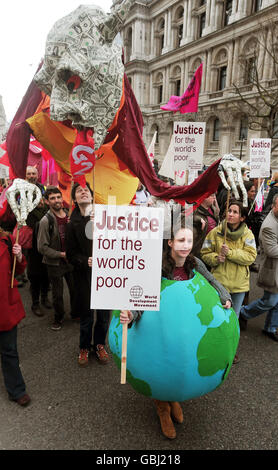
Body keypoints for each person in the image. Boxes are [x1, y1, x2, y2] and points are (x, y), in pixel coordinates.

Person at [120, 222, 232, 440]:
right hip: (160, 327)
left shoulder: (194, 263)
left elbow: (210, 280)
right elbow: (143, 294)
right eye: (181, 240)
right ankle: (162, 407)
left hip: (185, 325)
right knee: (162, 362)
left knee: (180, 360)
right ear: (170, 242)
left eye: (189, 241)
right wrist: (132, 314)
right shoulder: (158, 266)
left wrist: (224, 295)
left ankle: (172, 397)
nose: (186, 245)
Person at [201, 200, 257, 362]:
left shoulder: (248, 235)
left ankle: (230, 351)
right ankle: (214, 348)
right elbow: (205, 253)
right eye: (229, 211)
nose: (230, 214)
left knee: (233, 319)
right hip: (219, 284)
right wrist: (216, 258)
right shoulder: (216, 232)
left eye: (235, 212)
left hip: (238, 285)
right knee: (217, 317)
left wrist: (230, 253)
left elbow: (251, 257)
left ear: (242, 217)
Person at [65, 182, 110, 366]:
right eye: (79, 191)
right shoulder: (72, 223)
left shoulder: (105, 217)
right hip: (84, 276)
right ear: (75, 198)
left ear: (92, 196)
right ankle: (84, 347)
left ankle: (99, 344)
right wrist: (85, 261)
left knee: (104, 315)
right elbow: (70, 254)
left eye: (86, 190)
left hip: (106, 275)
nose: (83, 192)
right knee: (87, 316)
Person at [239, 193, 278, 342]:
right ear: (273, 206)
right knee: (269, 301)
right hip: (271, 270)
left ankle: (271, 327)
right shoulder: (269, 226)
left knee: (276, 301)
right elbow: (272, 251)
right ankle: (243, 312)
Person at [37, 186, 77, 330]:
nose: (57, 200)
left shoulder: (68, 215)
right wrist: (60, 254)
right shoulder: (45, 221)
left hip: (70, 262)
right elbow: (42, 247)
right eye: (52, 198)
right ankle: (58, 317)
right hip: (54, 263)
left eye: (58, 197)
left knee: (74, 289)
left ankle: (75, 313)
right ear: (47, 202)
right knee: (57, 294)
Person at [0, 227, 31, 406]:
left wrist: (19, 256)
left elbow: (19, 268)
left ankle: (17, 389)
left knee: (9, 351)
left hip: (5, 308)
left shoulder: (7, 240)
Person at [25, 198, 51, 317]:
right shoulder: (29, 212)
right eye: (37, 199)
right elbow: (33, 226)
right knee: (35, 277)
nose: (40, 202)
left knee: (46, 275)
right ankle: (35, 304)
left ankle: (44, 298)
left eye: (42, 199)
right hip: (34, 250)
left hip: (47, 248)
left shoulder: (48, 210)